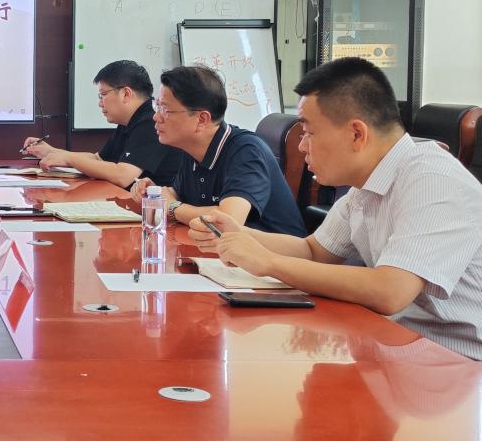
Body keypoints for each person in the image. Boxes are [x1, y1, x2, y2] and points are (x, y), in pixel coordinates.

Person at [189, 57, 482, 360]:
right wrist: (240, 234)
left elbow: (390, 291)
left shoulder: (433, 179)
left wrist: (268, 262)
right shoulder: (367, 185)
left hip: (459, 365)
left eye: (309, 133)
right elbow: (314, 251)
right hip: (399, 346)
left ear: (357, 134)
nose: (302, 146)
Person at [129, 64, 307, 236]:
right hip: (222, 251)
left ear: (202, 119)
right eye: (157, 106)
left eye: (165, 109)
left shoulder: (246, 150)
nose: (156, 116)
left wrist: (172, 207)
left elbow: (228, 220)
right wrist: (155, 193)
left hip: (273, 254)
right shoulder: (191, 148)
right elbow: (178, 195)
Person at [21, 60, 182, 187]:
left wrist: (69, 158)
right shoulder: (129, 120)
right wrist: (51, 152)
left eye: (103, 95)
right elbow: (98, 159)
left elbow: (123, 175)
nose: (100, 103)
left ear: (126, 94)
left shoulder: (150, 121)